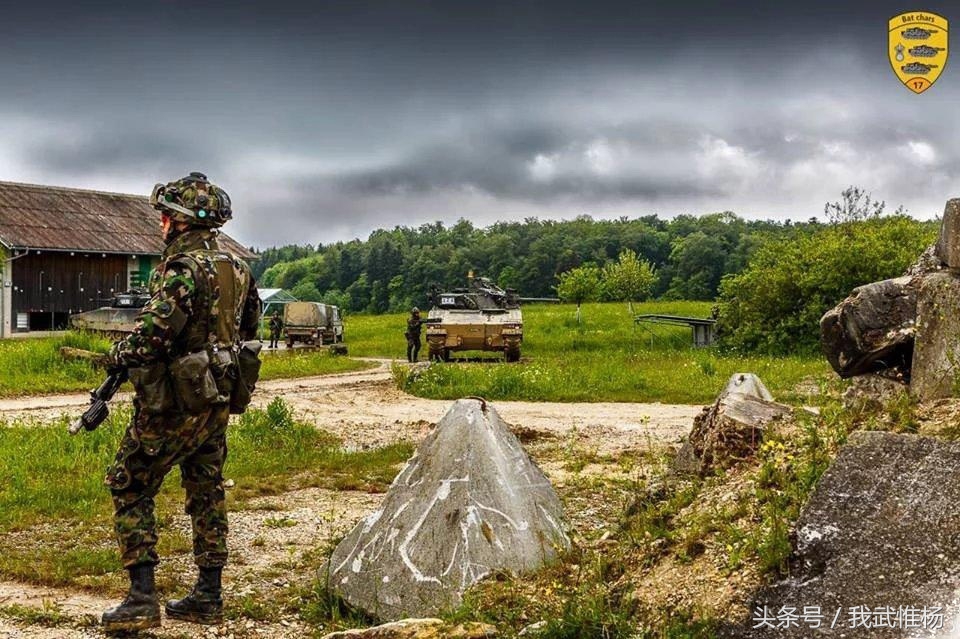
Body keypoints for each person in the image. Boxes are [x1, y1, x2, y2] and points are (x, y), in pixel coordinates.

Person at [101, 172, 261, 633]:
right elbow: (249, 328)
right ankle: (208, 595)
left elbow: (151, 338)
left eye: (165, 216)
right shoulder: (238, 268)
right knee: (206, 488)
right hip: (217, 396)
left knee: (129, 483)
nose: (161, 224)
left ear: (178, 222)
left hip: (175, 402)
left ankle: (140, 598)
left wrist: (116, 354)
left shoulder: (182, 270)